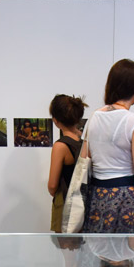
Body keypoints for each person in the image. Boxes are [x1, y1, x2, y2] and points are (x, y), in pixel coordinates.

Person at [81, 59, 134, 233]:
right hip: (127, 199)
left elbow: (84, 160)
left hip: (97, 197)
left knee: (98, 256)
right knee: (126, 257)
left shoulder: (94, 117)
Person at [46, 94, 86, 232]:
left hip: (66, 207)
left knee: (68, 251)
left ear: (55, 121)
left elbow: (52, 186)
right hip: (86, 205)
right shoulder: (85, 142)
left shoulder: (60, 146)